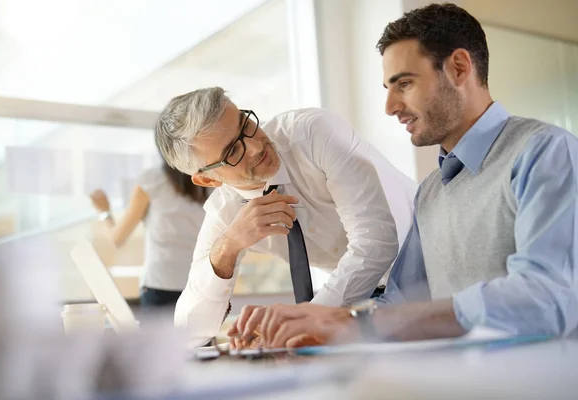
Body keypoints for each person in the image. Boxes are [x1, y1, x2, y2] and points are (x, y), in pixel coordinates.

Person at [229, 2, 578, 349]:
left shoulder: (546, 152)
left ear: (458, 68)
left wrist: (358, 321)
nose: (390, 106)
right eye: (388, 89)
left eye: (405, 84)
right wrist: (313, 324)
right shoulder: (430, 192)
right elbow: (398, 304)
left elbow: (546, 295)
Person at [154, 88, 418, 347]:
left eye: (245, 125)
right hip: (368, 304)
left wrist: (303, 320)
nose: (256, 147)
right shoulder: (226, 212)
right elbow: (189, 332)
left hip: (434, 263)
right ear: (208, 178)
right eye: (233, 152)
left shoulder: (313, 133)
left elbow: (376, 243)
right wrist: (228, 247)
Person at [89, 159, 208, 309]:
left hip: (160, 284)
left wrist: (104, 212)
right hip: (201, 286)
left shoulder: (153, 180)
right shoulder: (212, 181)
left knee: (158, 334)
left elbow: (117, 238)